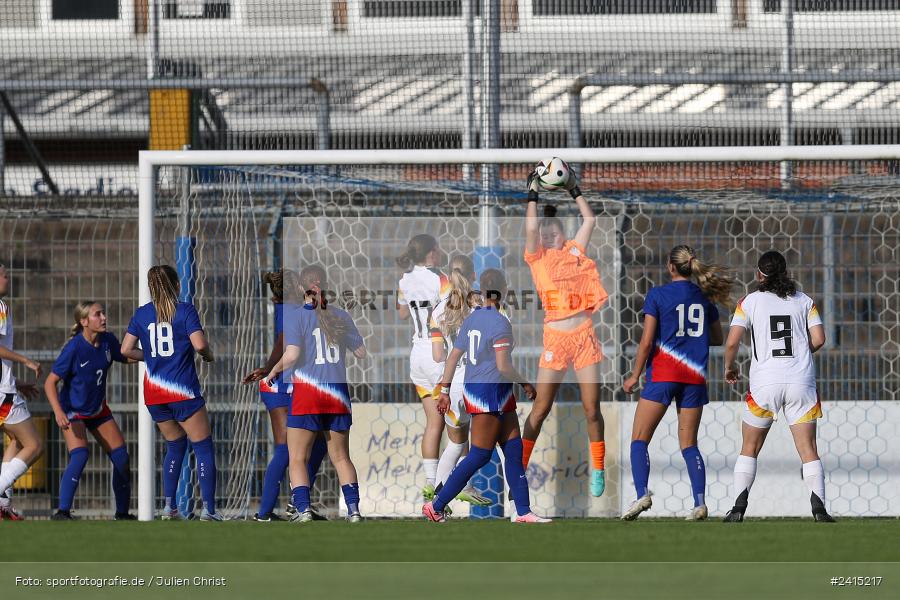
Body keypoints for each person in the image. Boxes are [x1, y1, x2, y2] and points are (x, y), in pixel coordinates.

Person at [423, 269, 550, 524]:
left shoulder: (472, 319)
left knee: (514, 450)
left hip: (498, 392)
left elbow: (453, 357)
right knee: (479, 455)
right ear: (504, 290)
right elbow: (503, 366)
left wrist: (445, 391)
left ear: (482, 290)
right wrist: (525, 382)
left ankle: (523, 511)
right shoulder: (500, 321)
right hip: (486, 393)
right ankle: (436, 506)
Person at [722, 250, 835, 523]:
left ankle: (738, 506)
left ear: (759, 274)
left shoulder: (748, 302)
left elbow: (732, 343)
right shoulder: (804, 301)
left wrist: (730, 366)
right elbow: (819, 338)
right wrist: (800, 353)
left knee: (749, 446)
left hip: (765, 384)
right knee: (808, 448)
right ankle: (819, 507)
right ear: (785, 272)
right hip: (801, 382)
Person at [621, 246, 731, 521]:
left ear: (671, 267)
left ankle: (642, 494)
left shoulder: (658, 294)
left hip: (663, 375)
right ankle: (700, 503)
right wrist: (691, 340)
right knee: (689, 444)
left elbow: (646, 341)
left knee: (639, 440)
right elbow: (717, 338)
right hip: (694, 377)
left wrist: (634, 375)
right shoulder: (705, 297)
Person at [521, 166, 609, 497]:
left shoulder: (574, 252)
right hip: (556, 340)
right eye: (543, 234)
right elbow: (531, 228)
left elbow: (589, 220)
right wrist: (533, 193)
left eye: (553, 233)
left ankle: (597, 467)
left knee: (591, 408)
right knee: (541, 408)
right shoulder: (537, 258)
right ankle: (520, 465)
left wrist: (575, 189)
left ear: (562, 235)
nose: (547, 236)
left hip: (584, 335)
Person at [121, 265, 222, 521]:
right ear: (177, 285)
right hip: (183, 390)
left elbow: (125, 350)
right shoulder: (185, 310)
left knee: (175, 446)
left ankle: (169, 507)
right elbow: (200, 345)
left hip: (155, 395)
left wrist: (150, 356)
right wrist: (209, 356)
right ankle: (209, 510)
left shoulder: (142, 314)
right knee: (203, 448)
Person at [265, 265, 366, 523]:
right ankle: (354, 512)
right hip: (337, 394)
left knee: (298, 457)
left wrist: (274, 371)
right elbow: (361, 353)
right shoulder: (340, 316)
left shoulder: (297, 316)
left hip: (308, 395)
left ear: (302, 288)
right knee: (341, 457)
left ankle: (303, 510)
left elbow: (293, 355)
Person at [243, 269, 328, 521]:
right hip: (282, 384)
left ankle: (291, 504)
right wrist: (270, 369)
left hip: (281, 383)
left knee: (313, 445)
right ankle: (271, 510)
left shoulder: (287, 308)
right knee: (287, 448)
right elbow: (283, 342)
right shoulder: (292, 310)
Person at [44, 301, 136, 520]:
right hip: (73, 410)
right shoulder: (74, 347)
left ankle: (122, 514)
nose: (104, 317)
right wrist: (58, 412)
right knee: (80, 455)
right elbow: (50, 383)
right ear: (84, 321)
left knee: (121, 457)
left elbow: (126, 356)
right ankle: (62, 511)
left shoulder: (107, 341)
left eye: (103, 313)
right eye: (97, 314)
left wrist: (152, 356)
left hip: (97, 409)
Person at [429, 255, 490, 507]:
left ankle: (437, 503)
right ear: (473, 276)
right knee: (502, 441)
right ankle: (519, 506)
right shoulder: (483, 305)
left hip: (453, 384)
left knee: (456, 444)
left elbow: (438, 355)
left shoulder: (440, 310)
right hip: (481, 382)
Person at [396, 233, 449, 500]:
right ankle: (450, 486)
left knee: (432, 424)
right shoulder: (441, 279)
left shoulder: (405, 280)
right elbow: (451, 312)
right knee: (456, 428)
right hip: (437, 355)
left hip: (417, 356)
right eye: (437, 249)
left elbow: (402, 312)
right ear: (432, 253)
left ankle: (431, 483)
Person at [0, 262, 44, 520]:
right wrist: (26, 361)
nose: (8, 279)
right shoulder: (1, 307)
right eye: (4, 276)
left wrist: (17, 383)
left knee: (16, 441)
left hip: (5, 388)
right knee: (35, 445)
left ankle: (3, 505)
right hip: (3, 393)